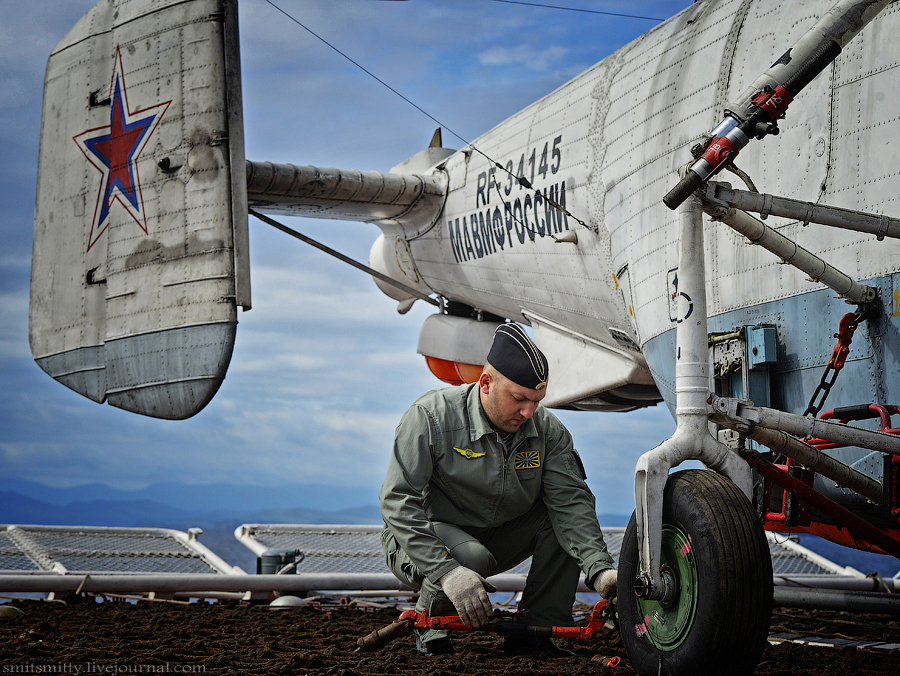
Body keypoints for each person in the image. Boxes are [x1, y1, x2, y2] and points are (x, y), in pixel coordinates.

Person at [379, 323, 617, 657]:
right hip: (422, 538)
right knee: (469, 555)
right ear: (486, 383)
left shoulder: (546, 431)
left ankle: (533, 634)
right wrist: (447, 572)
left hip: (496, 535)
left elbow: (571, 504)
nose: (528, 412)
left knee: (562, 521)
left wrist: (600, 570)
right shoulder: (430, 417)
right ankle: (429, 628)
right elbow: (396, 501)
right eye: (519, 399)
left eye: (536, 401)